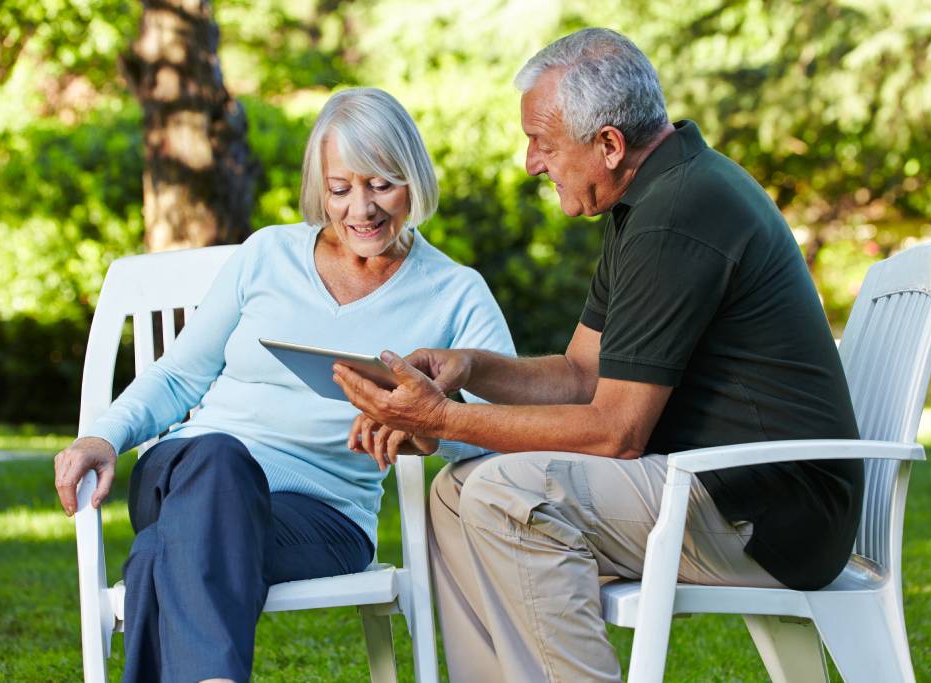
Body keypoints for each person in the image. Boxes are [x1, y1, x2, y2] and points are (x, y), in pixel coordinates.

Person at [333, 29, 863, 682]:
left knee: (507, 493)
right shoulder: (653, 201)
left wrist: (441, 419)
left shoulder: (677, 216)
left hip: (767, 512)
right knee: (456, 493)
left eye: (544, 142)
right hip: (717, 486)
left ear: (609, 145)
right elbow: (582, 373)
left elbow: (615, 429)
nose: (531, 162)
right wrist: (469, 368)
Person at [53, 87, 515, 683]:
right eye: (341, 188)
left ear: (415, 180)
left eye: (382, 184)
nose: (361, 209)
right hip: (190, 471)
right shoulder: (265, 255)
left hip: (322, 518)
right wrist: (104, 437)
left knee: (160, 554)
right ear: (319, 186)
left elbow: (497, 428)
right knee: (220, 459)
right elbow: (179, 375)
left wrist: (429, 428)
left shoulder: (456, 293)